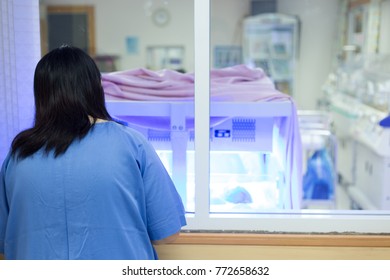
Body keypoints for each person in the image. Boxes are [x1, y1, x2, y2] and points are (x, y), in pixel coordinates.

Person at [0, 45, 186, 260]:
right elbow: (167, 234)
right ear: (96, 87)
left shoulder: (18, 156)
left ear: (41, 94)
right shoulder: (131, 144)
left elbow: (6, 240)